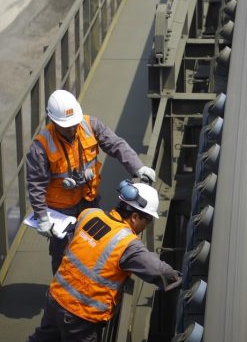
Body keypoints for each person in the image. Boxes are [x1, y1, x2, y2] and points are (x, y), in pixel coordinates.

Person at [1, 182, 182, 342]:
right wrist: (181, 280)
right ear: (134, 216)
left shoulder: (90, 215)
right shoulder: (128, 244)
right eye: (148, 219)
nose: (147, 224)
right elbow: (158, 270)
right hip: (82, 315)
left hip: (57, 297)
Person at [27, 89, 156, 273]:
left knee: (93, 244)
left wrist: (138, 167)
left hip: (89, 200)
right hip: (61, 211)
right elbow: (35, 186)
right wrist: (41, 217)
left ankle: (87, 282)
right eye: (67, 126)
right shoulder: (41, 147)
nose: (72, 129)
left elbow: (116, 145)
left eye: (74, 124)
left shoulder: (90, 125)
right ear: (53, 121)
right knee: (62, 252)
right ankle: (60, 289)